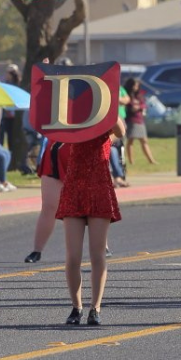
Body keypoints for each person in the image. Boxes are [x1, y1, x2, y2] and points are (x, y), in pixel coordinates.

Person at [56, 117, 126, 326]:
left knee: (97, 254)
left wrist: (107, 105)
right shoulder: (72, 118)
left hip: (99, 189)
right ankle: (76, 307)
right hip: (74, 189)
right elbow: (52, 126)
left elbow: (121, 130)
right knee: (73, 256)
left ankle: (95, 307)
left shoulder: (107, 119)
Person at [24, 137, 68, 263]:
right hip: (55, 151)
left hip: (83, 152)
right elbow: (40, 122)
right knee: (49, 207)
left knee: (89, 207)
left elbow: (117, 129)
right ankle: (37, 250)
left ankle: (103, 246)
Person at [123, 78, 157, 165]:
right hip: (131, 120)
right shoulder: (127, 95)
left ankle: (151, 160)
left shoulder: (139, 95)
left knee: (144, 140)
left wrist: (140, 107)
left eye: (137, 85)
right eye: (134, 85)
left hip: (140, 120)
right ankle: (131, 161)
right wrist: (134, 108)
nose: (136, 87)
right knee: (130, 140)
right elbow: (129, 106)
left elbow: (144, 105)